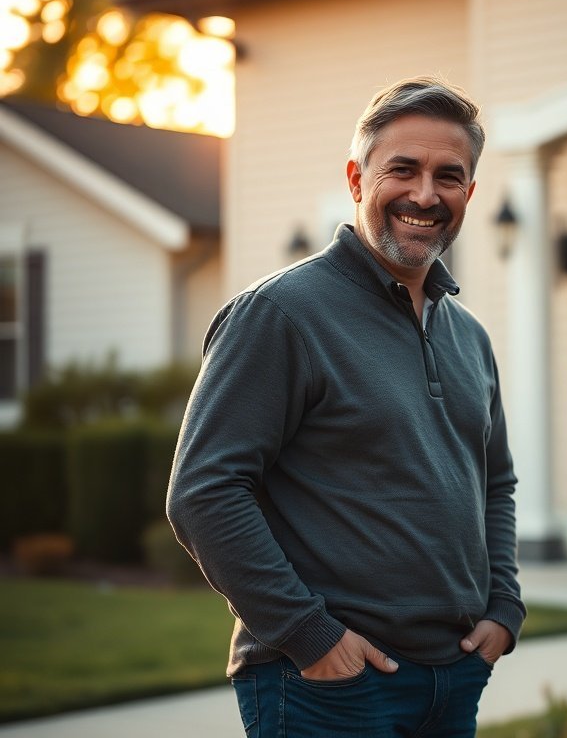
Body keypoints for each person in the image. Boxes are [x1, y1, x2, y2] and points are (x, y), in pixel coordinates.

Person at [167, 76, 525, 738]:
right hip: (328, 689)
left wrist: (503, 606)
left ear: (469, 196)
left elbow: (494, 482)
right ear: (357, 179)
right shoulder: (281, 314)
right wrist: (310, 637)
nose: (425, 194)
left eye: (449, 176)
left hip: (452, 680)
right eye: (404, 169)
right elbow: (204, 491)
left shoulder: (467, 335)